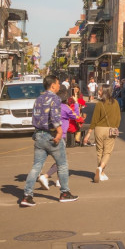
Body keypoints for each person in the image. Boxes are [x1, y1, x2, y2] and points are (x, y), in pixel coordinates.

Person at [20, 75, 78, 207]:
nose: (59, 86)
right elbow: (54, 116)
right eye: (57, 84)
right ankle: (64, 193)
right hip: (51, 135)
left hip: (39, 135)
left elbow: (34, 117)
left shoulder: (38, 99)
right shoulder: (55, 99)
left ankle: (27, 195)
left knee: (36, 166)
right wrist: (59, 132)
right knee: (62, 164)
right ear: (52, 85)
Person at [37, 85, 85, 189]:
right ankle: (46, 176)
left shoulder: (51, 105)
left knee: (49, 158)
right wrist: (76, 104)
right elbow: (78, 117)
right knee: (61, 160)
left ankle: (58, 180)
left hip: (48, 134)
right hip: (61, 135)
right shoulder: (65, 108)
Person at [85, 84, 121, 183]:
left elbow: (94, 119)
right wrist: (115, 127)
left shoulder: (99, 104)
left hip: (98, 129)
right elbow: (118, 118)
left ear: (105, 92)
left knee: (99, 151)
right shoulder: (116, 103)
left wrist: (88, 133)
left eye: (100, 90)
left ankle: (101, 172)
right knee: (107, 152)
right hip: (111, 130)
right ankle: (100, 169)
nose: (99, 92)